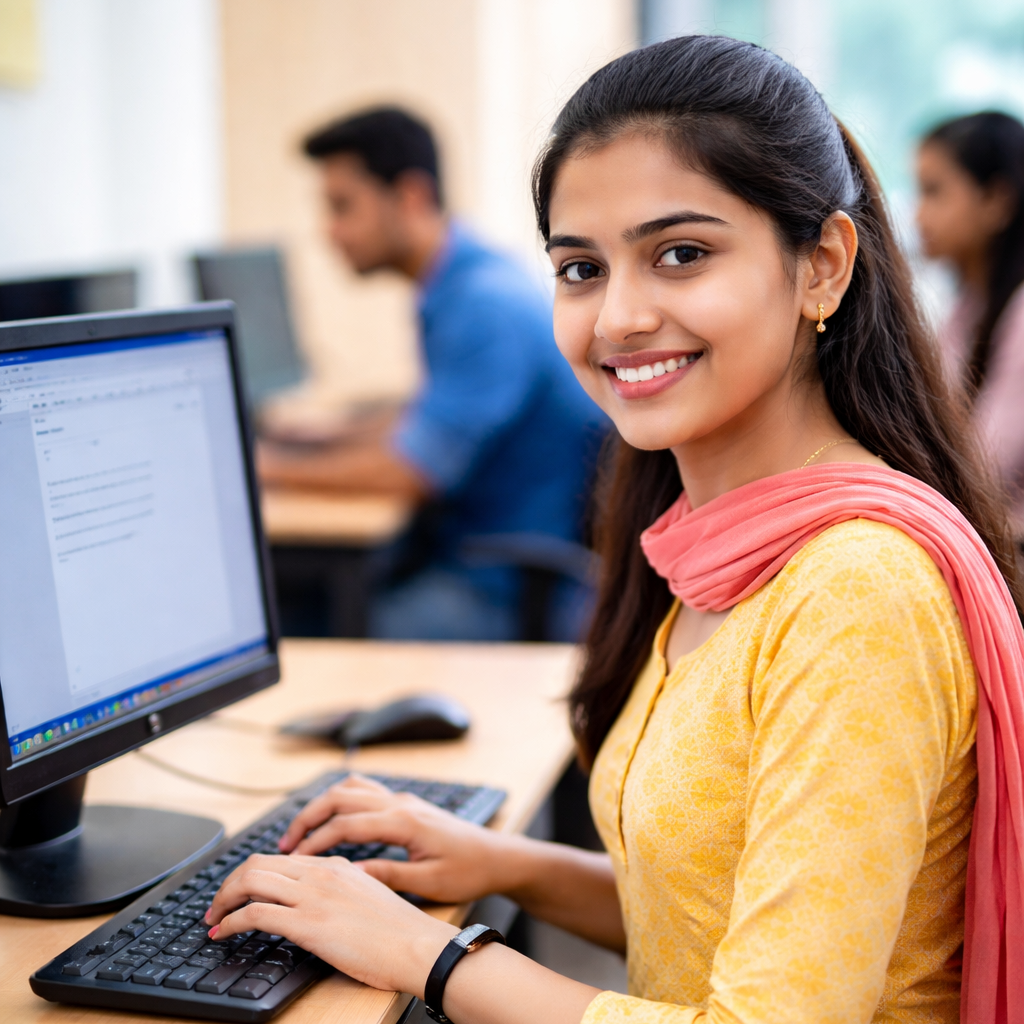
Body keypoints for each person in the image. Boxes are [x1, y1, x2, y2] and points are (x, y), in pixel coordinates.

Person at [207, 38, 1024, 1024]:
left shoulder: (855, 591)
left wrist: (430, 954)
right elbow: (716, 907)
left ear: (822, 266)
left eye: (680, 253)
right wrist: (500, 862)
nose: (618, 316)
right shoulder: (717, 540)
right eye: (580, 267)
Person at [259, 107, 607, 641]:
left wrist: (267, 467)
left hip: (500, 590)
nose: (330, 232)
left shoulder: (481, 305)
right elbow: (430, 413)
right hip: (487, 559)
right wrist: (331, 435)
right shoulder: (461, 281)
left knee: (294, 621)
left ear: (411, 196)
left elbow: (410, 469)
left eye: (343, 207)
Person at [916, 111, 1024, 532]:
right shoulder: (968, 308)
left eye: (934, 192)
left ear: (997, 200)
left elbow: (985, 465)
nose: (918, 216)